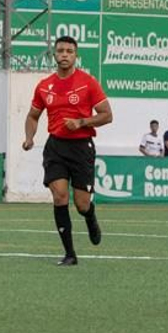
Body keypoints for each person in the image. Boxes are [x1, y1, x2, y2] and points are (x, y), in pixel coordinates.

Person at [22, 35, 112, 266]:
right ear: (54, 54)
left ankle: (90, 217)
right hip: (56, 147)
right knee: (60, 195)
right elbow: (33, 116)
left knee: (81, 204)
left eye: (69, 51)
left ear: (76, 55)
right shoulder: (44, 86)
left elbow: (107, 115)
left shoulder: (88, 82)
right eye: (60, 50)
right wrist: (29, 137)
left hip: (82, 147)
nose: (64, 54)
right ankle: (70, 254)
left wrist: (82, 122)